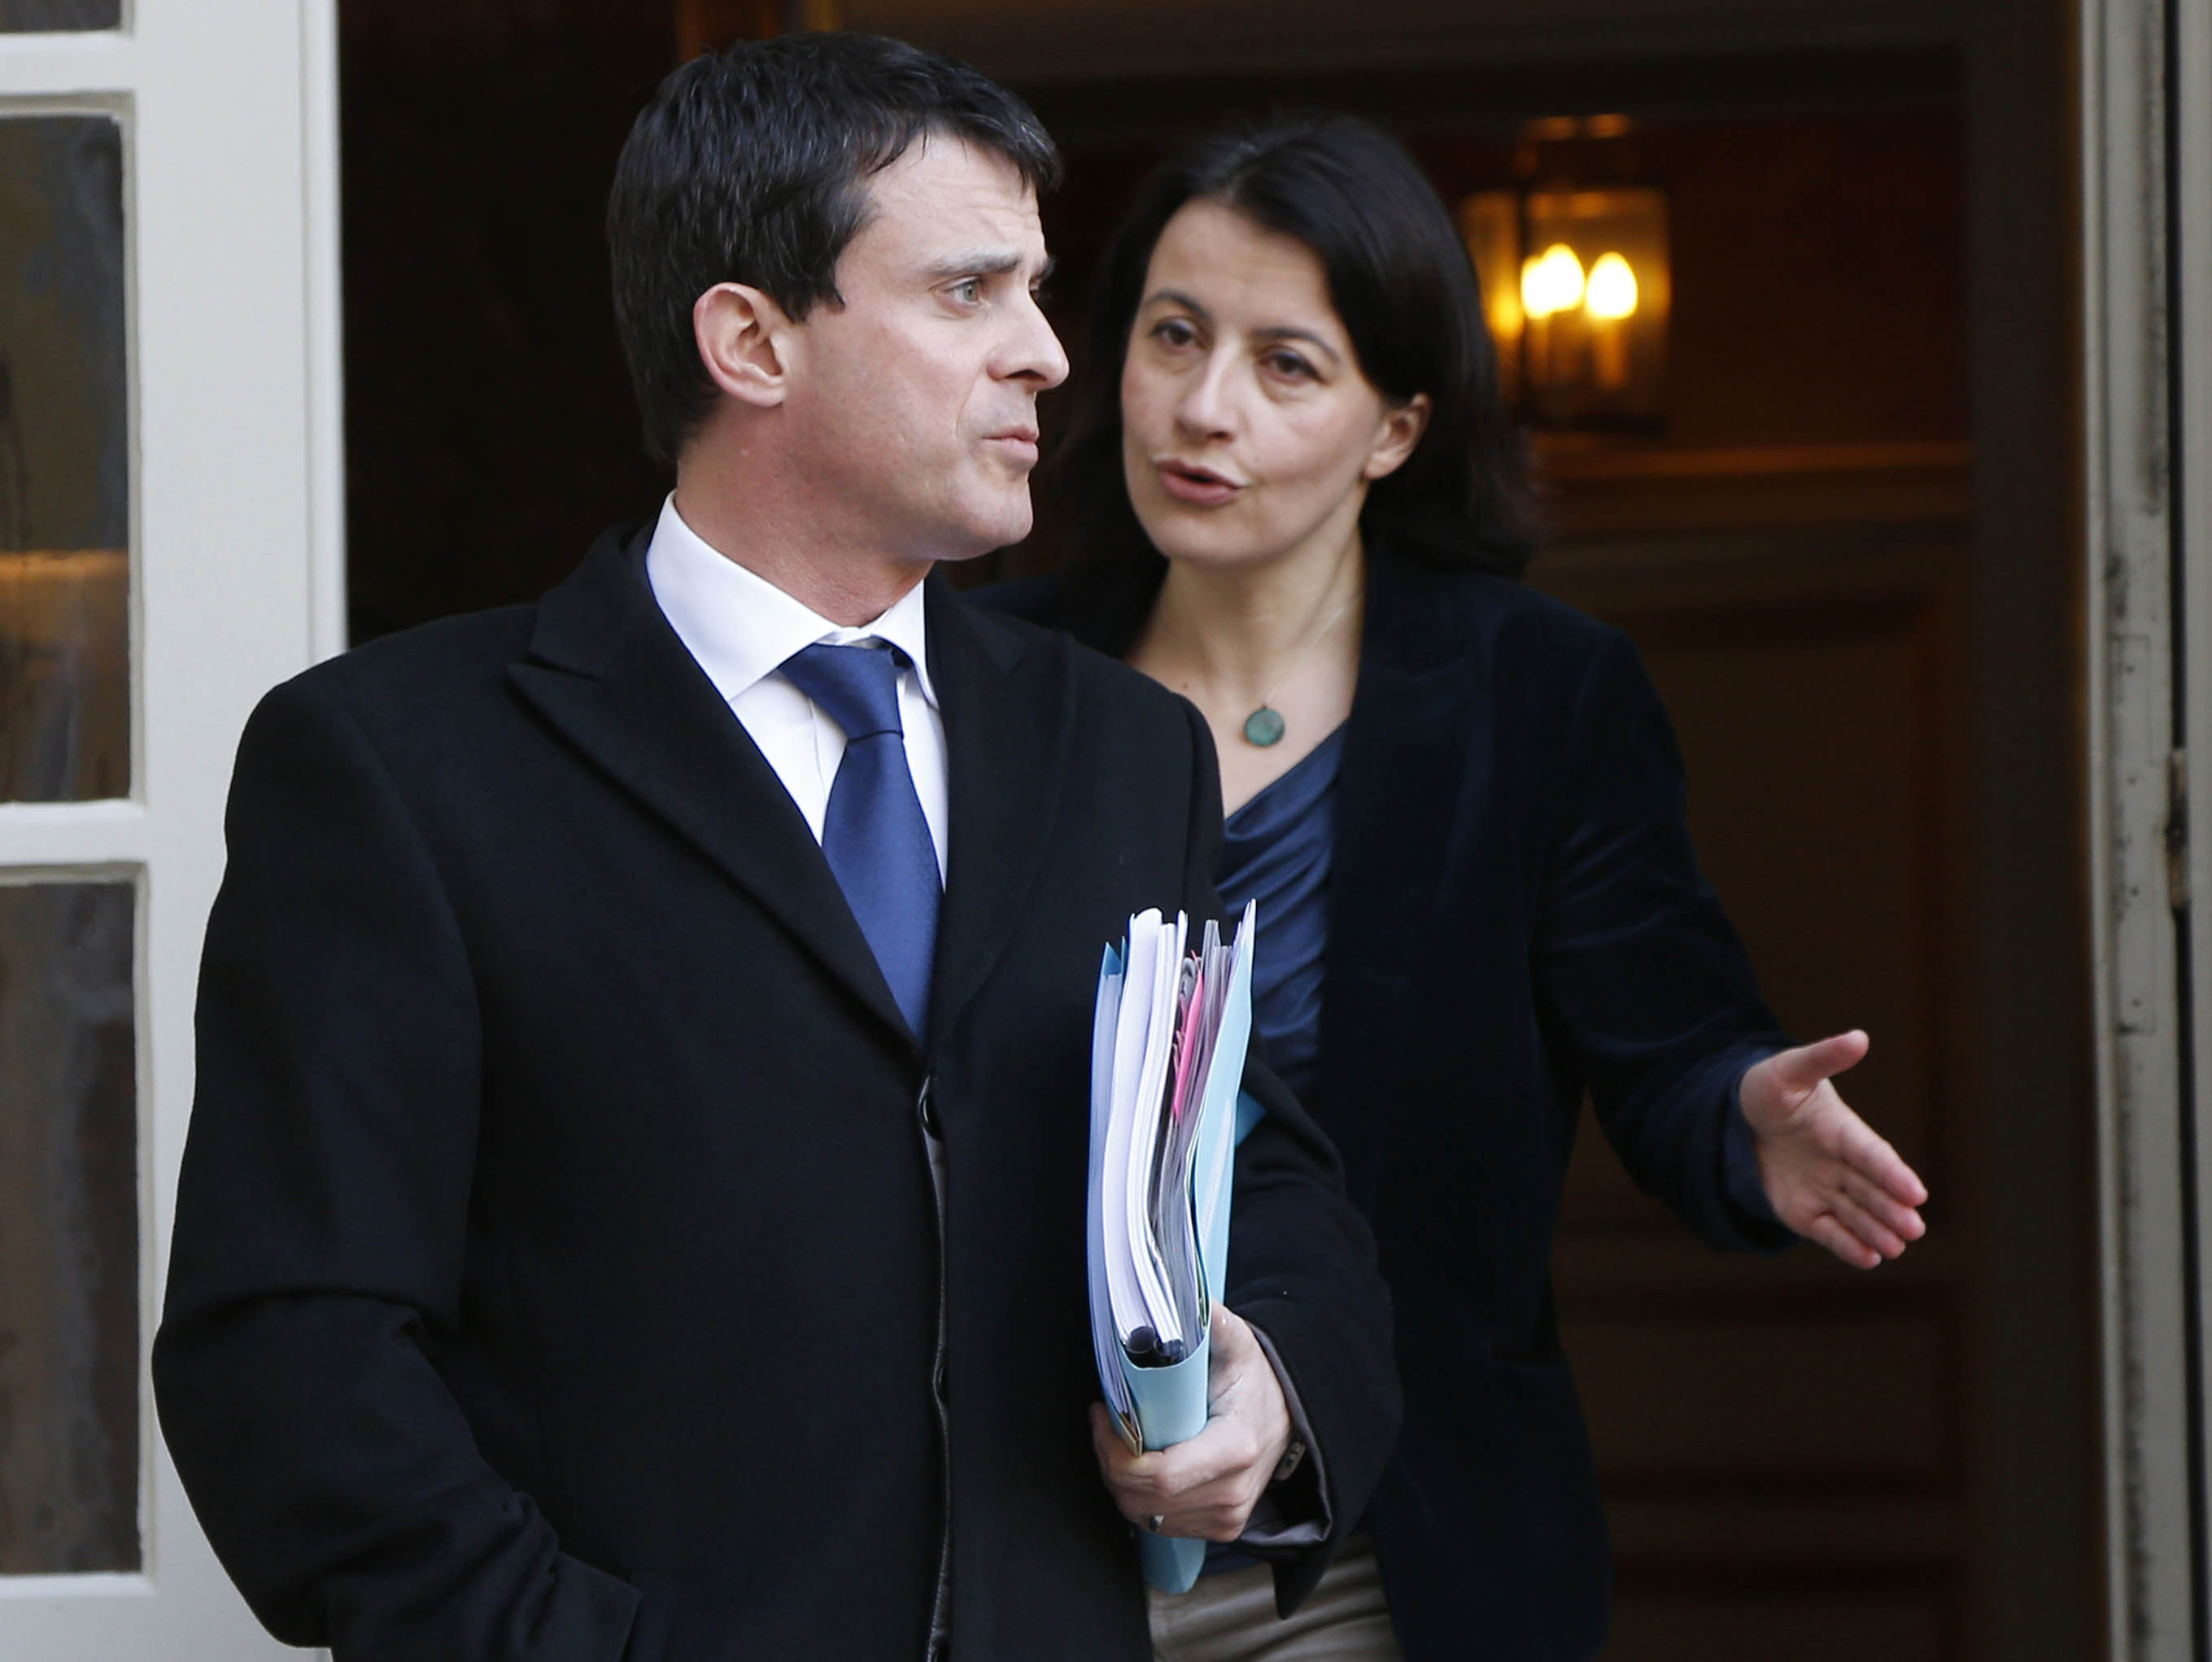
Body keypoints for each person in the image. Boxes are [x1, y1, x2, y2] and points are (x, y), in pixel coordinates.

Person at [152, 41, 1399, 1662]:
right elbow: (289, 1354)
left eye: (1033, 291)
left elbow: (1253, 1169)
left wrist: (1271, 1384)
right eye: (968, 291)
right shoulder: (393, 765)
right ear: (750, 340)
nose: (1043, 353)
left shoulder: (1119, 747)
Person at [983, 116, 1931, 1662]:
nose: (1204, 407)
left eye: (1289, 366)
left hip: (1380, 1533)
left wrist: (1736, 1113)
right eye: (1174, 335)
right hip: (1031, 1526)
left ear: (1397, 429)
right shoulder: (996, 677)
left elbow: (1668, 1033)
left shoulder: (1533, 691)